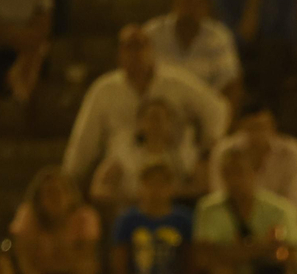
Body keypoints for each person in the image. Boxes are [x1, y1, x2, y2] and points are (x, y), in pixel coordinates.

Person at [62, 25, 229, 189]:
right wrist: (69, 179)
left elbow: (217, 109)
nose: (136, 54)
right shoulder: (103, 90)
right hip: (124, 175)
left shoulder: (176, 81)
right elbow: (84, 140)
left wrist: (206, 153)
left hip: (175, 169)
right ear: (119, 54)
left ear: (152, 50)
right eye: (129, 47)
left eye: (141, 46)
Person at [195, 142, 297, 274]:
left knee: (283, 272)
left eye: (239, 171)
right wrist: (262, 247)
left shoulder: (279, 210)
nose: (234, 179)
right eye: (228, 173)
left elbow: (292, 253)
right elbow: (206, 255)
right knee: (220, 273)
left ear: (254, 172)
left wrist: (236, 251)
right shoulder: (208, 209)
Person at [9, 166, 101, 274]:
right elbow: (23, 260)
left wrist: (60, 226)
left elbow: (85, 261)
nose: (55, 198)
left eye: (60, 192)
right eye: (49, 193)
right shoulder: (28, 215)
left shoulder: (85, 217)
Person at [109, 160, 195, 274]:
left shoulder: (183, 220)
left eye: (162, 184)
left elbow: (191, 264)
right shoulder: (127, 221)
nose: (156, 190)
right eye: (149, 184)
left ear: (172, 188)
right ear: (140, 187)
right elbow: (119, 269)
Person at [88, 97, 202, 210]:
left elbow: (201, 188)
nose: (157, 123)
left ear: (170, 124)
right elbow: (98, 189)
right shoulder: (124, 156)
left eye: (163, 118)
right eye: (152, 117)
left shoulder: (184, 158)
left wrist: (171, 195)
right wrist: (127, 199)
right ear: (140, 124)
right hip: (133, 213)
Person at [209, 102, 297, 214]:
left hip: (278, 222)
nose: (258, 134)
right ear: (241, 127)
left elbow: (295, 202)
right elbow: (218, 194)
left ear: (273, 126)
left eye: (262, 127)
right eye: (252, 128)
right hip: (233, 220)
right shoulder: (224, 151)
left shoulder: (292, 153)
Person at [144, 0, 243, 105]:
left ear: (205, 7)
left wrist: (221, 117)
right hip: (159, 109)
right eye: (186, 1)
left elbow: (230, 80)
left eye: (196, 3)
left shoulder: (218, 37)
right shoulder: (152, 32)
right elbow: (138, 73)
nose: (189, 9)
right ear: (174, 2)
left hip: (204, 110)